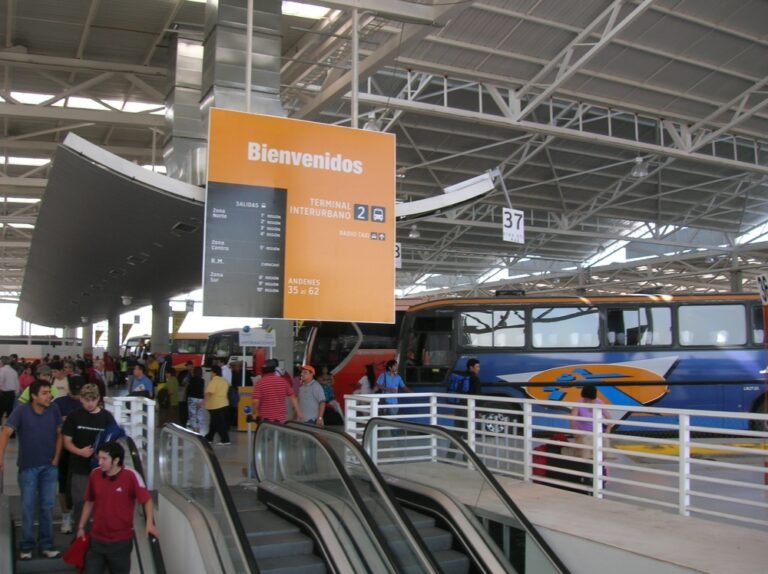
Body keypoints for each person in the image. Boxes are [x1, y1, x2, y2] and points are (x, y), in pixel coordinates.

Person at [0, 380, 63, 560]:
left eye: (49, 392)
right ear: (33, 396)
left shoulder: (54, 410)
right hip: (28, 468)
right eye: (44, 393)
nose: (49, 396)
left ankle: (46, 544)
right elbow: (5, 432)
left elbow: (60, 434)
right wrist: (0, 458)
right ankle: (26, 545)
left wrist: (56, 458)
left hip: (49, 468)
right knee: (27, 507)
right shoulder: (21, 411)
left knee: (47, 507)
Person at [77, 441, 159, 574]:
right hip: (97, 540)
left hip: (120, 543)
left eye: (104, 459)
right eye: (99, 458)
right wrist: (81, 526)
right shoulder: (95, 474)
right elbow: (89, 501)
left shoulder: (131, 476)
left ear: (115, 460)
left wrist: (149, 523)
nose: (100, 462)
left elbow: (147, 500)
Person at [63, 383, 117, 531]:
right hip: (79, 468)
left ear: (99, 399)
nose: (89, 404)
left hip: (102, 470)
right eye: (86, 400)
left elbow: (114, 443)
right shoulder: (74, 417)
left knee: (103, 504)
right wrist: (79, 451)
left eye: (93, 400)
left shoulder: (107, 417)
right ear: (80, 399)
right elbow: (66, 441)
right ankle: (80, 537)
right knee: (80, 504)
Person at [53, 377, 85, 534]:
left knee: (85, 484)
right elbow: (52, 424)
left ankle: (83, 517)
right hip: (65, 452)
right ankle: (66, 516)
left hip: (85, 451)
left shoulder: (87, 403)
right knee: (64, 485)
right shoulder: (58, 403)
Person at [569, 384, 613, 459]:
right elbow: (572, 418)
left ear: (593, 397)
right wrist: (574, 430)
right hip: (582, 432)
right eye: (585, 398)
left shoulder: (599, 403)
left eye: (588, 398)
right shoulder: (579, 402)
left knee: (603, 453)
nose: (586, 400)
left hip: (596, 432)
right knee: (582, 454)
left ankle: (601, 466)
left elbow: (609, 418)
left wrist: (608, 430)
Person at [251, 358, 302, 424]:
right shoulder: (283, 381)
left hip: (265, 420)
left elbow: (256, 401)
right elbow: (293, 397)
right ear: (274, 370)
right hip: (280, 419)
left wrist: (254, 412)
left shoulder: (260, 383)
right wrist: (298, 412)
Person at [204, 365, 231, 445]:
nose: (210, 374)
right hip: (224, 404)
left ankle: (225, 440)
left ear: (214, 372)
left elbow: (209, 393)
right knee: (213, 423)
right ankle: (209, 437)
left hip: (216, 405)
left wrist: (203, 402)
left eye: (211, 372)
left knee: (219, 424)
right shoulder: (224, 381)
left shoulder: (214, 381)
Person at [185, 366, 206, 434]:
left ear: (194, 372)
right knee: (200, 415)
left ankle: (195, 430)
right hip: (200, 399)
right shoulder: (202, 381)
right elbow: (202, 390)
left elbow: (188, 390)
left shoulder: (191, 380)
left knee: (192, 415)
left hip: (192, 398)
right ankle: (199, 430)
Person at [0, 355, 20, 425]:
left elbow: (1, 381)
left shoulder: (2, 370)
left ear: (2, 362)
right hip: (12, 394)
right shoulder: (13, 371)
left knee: (0, 412)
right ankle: (10, 431)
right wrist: (16, 394)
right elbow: (17, 384)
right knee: (10, 412)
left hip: (3, 394)